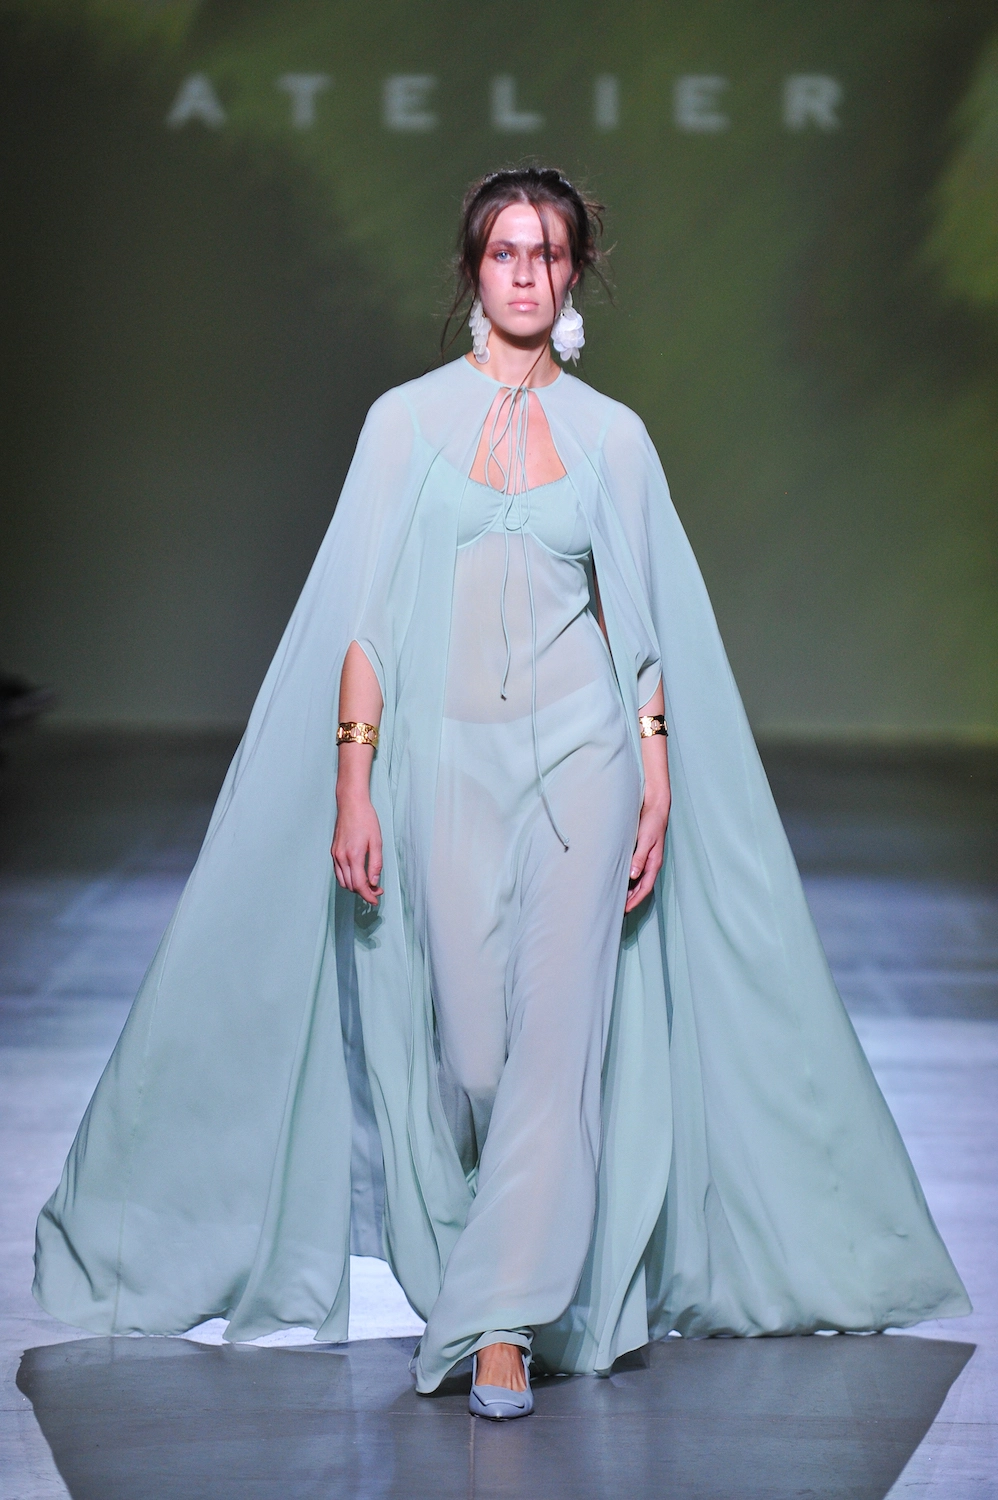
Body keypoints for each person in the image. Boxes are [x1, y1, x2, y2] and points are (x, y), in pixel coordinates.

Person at [34, 168, 970, 1423]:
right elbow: (363, 625)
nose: (525, 272)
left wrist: (653, 768)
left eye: (546, 252)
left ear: (573, 272)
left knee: (555, 1051)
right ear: (471, 270)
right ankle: (503, 1275)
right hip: (442, 772)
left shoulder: (612, 438)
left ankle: (497, 1330)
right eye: (503, 251)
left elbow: (640, 630)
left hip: (584, 764)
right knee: (473, 1053)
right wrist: (353, 782)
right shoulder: (403, 424)